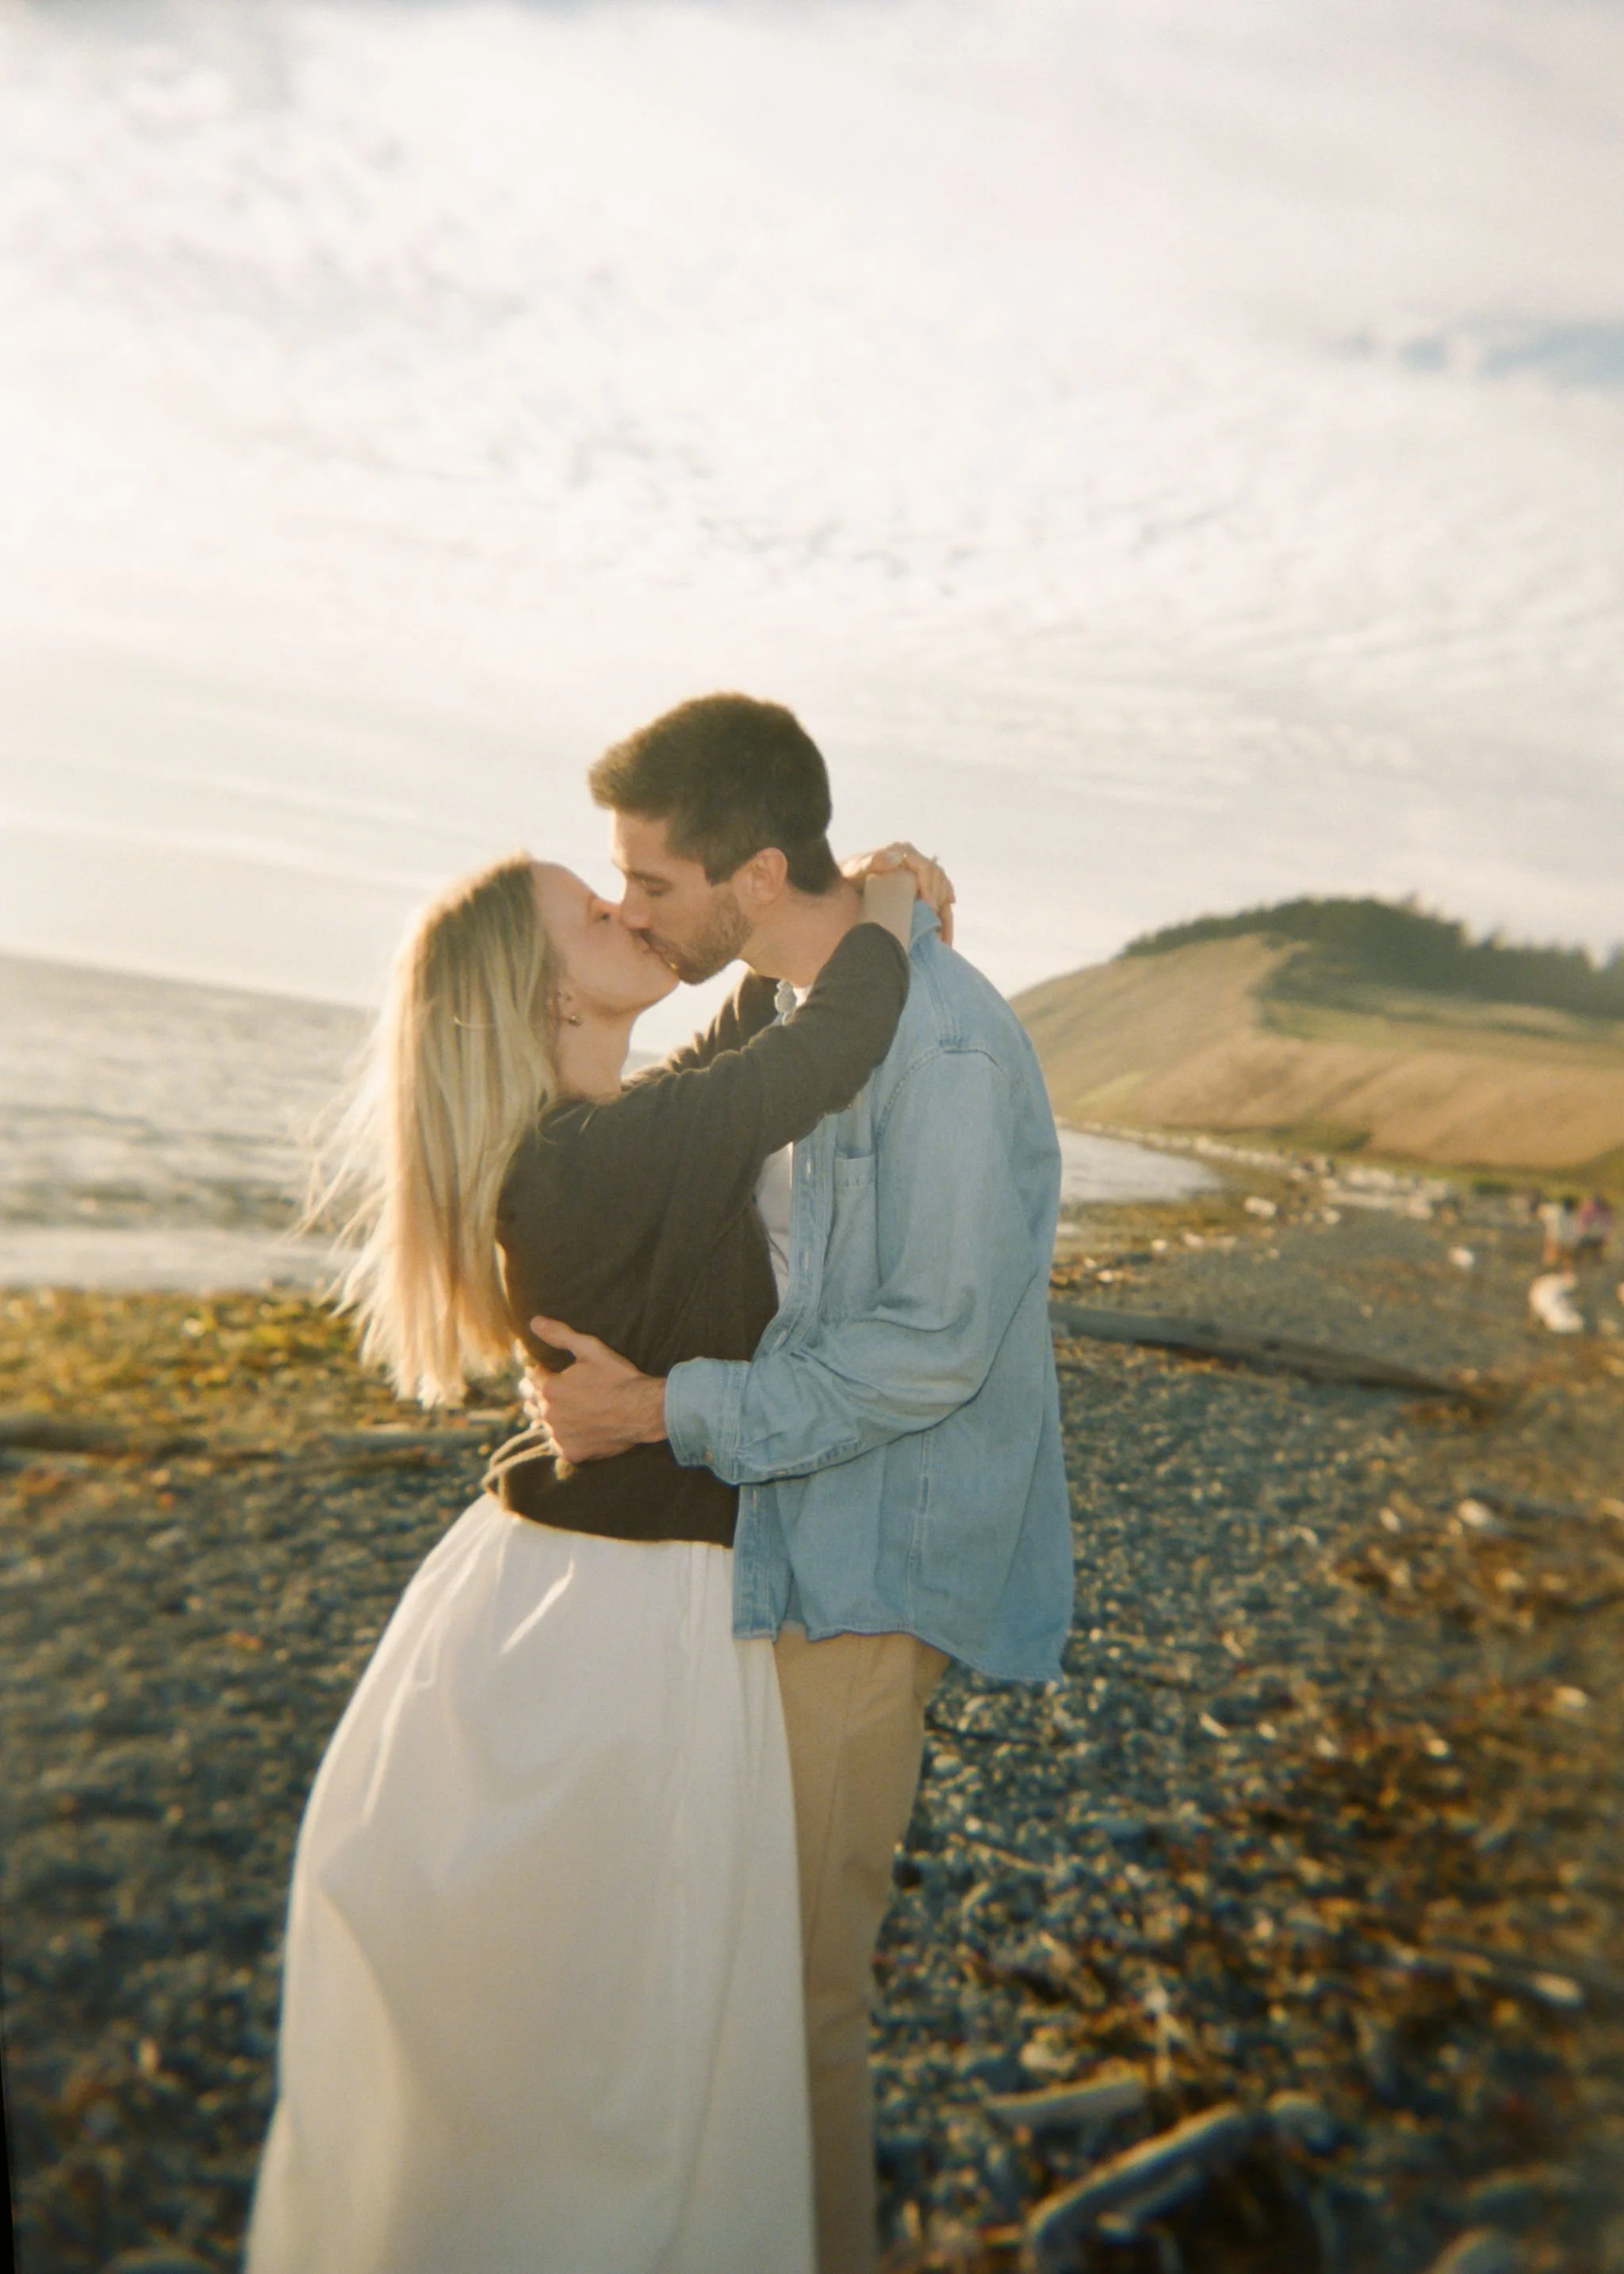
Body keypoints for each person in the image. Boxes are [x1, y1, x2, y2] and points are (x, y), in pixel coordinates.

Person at [245, 837, 940, 2274]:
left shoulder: (594, 1141)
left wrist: (791, 914)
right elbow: (822, 1053)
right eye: (594, 908)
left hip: (579, 1599)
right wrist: (872, 920)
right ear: (543, 996)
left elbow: (737, 1068)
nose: (628, 909)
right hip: (619, 1635)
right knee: (632, 2038)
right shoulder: (594, 1161)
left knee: (608, 2034)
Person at [528, 693, 1074, 2274]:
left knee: (802, 1998)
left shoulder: (949, 1046)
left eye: (651, 882)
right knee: (727, 1972)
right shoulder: (788, 1013)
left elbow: (930, 1353)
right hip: (770, 1542)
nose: (630, 907)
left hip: (859, 1562)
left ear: (752, 876)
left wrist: (672, 1408)